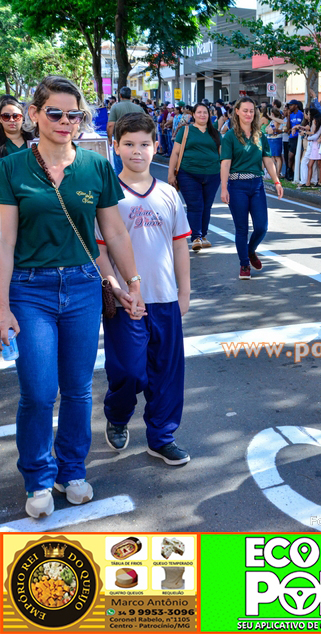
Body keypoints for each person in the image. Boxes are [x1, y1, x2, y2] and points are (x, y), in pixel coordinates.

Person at [0, 76, 143, 518]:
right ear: (36, 114)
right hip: (29, 289)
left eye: (74, 114)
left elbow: (113, 231)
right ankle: (39, 476)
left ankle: (72, 470)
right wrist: (1, 304)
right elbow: (4, 242)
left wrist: (132, 283)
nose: (65, 121)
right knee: (39, 392)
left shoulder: (95, 166)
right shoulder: (12, 168)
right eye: (55, 113)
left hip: (82, 285)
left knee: (79, 390)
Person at [97, 112, 191, 465]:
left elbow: (180, 245)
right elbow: (101, 251)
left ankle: (162, 436)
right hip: (125, 301)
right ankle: (118, 416)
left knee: (166, 373)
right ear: (116, 146)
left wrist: (184, 292)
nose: (137, 151)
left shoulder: (168, 194)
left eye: (145, 144)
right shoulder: (108, 195)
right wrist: (120, 290)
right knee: (129, 371)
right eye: (129, 144)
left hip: (164, 298)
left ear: (156, 146)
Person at [220, 97, 284, 280]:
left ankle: (250, 250)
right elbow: (225, 163)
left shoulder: (260, 135)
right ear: (237, 112)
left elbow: (268, 160)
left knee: (261, 227)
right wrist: (224, 188)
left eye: (251, 110)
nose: (249, 113)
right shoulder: (230, 136)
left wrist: (277, 181)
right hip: (237, 185)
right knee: (241, 229)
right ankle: (244, 265)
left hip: (256, 185)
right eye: (245, 110)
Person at [168, 102, 221, 252]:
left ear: (209, 115)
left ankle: (203, 236)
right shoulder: (185, 131)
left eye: (205, 112)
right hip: (188, 174)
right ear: (193, 115)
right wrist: (171, 174)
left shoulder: (215, 132)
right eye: (199, 112)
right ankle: (196, 237)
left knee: (207, 206)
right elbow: (175, 153)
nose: (202, 115)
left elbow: (221, 154)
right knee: (195, 205)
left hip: (212, 174)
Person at [107, 86, 143, 175]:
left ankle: (121, 188)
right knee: (134, 169)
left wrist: (109, 139)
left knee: (120, 170)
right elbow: (146, 125)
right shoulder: (139, 108)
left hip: (120, 141)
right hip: (136, 142)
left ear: (120, 95)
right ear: (130, 96)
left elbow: (110, 125)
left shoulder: (115, 107)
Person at [264, 107, 285, 181]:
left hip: (276, 139)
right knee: (272, 157)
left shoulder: (277, 120)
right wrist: (269, 130)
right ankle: (274, 173)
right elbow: (266, 129)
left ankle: (278, 173)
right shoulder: (272, 121)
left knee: (277, 157)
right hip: (270, 139)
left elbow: (272, 130)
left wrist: (269, 130)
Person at [286, 100, 304, 181]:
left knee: (295, 156)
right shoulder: (291, 115)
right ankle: (289, 171)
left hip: (298, 137)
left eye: (291, 105)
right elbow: (288, 127)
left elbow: (303, 124)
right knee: (290, 156)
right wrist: (288, 116)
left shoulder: (301, 114)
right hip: (292, 137)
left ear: (296, 105)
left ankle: (295, 173)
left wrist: (296, 127)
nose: (290, 107)